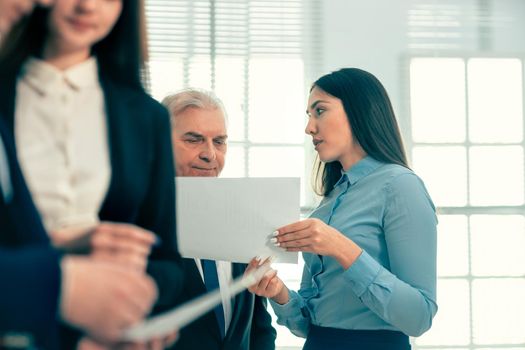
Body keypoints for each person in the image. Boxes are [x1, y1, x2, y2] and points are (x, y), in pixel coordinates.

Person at [0, 0, 183, 348]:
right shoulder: (4, 95)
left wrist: (137, 300)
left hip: (101, 334)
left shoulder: (146, 117)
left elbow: (168, 262)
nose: (87, 6)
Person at [247, 68, 438, 350]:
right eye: (308, 116)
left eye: (320, 111)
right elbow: (307, 327)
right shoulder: (327, 204)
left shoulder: (401, 187)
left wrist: (340, 247)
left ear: (359, 112)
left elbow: (419, 317)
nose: (309, 127)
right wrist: (279, 293)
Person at [162, 89, 276, 350]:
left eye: (220, 141)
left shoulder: (242, 220)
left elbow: (259, 326)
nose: (210, 154)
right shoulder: (137, 223)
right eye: (194, 140)